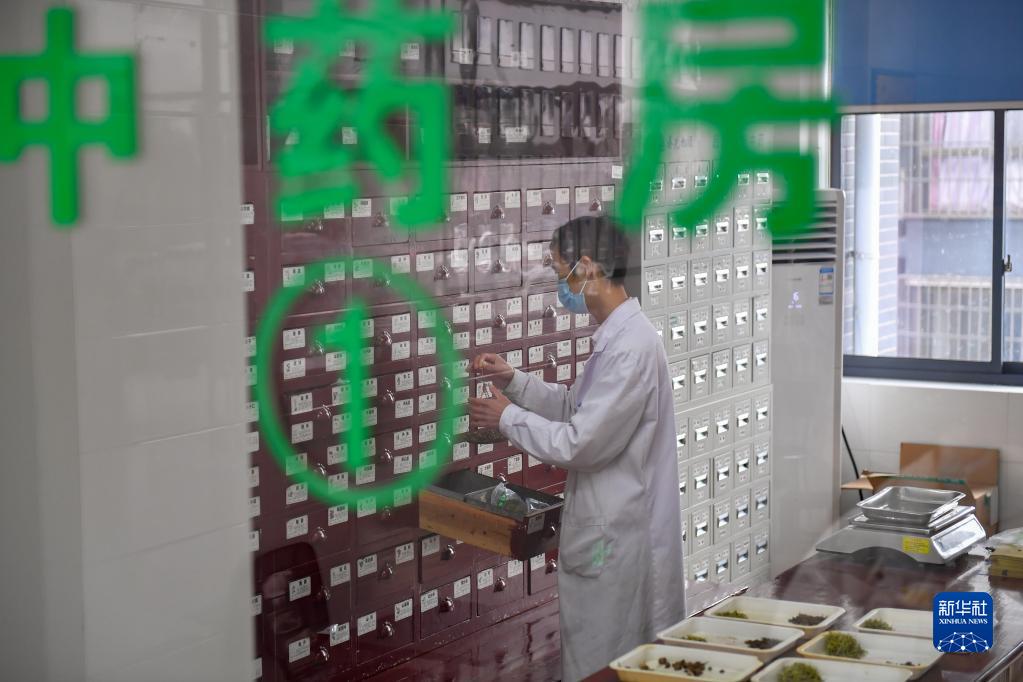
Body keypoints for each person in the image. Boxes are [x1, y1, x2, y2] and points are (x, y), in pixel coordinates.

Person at [468, 215, 686, 682]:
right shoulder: (619, 338)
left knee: (603, 669)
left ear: (587, 267)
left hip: (616, 542)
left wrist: (506, 418)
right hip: (614, 535)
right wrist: (514, 381)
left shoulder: (630, 348)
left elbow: (581, 442)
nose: (558, 285)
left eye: (559, 270)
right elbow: (577, 407)